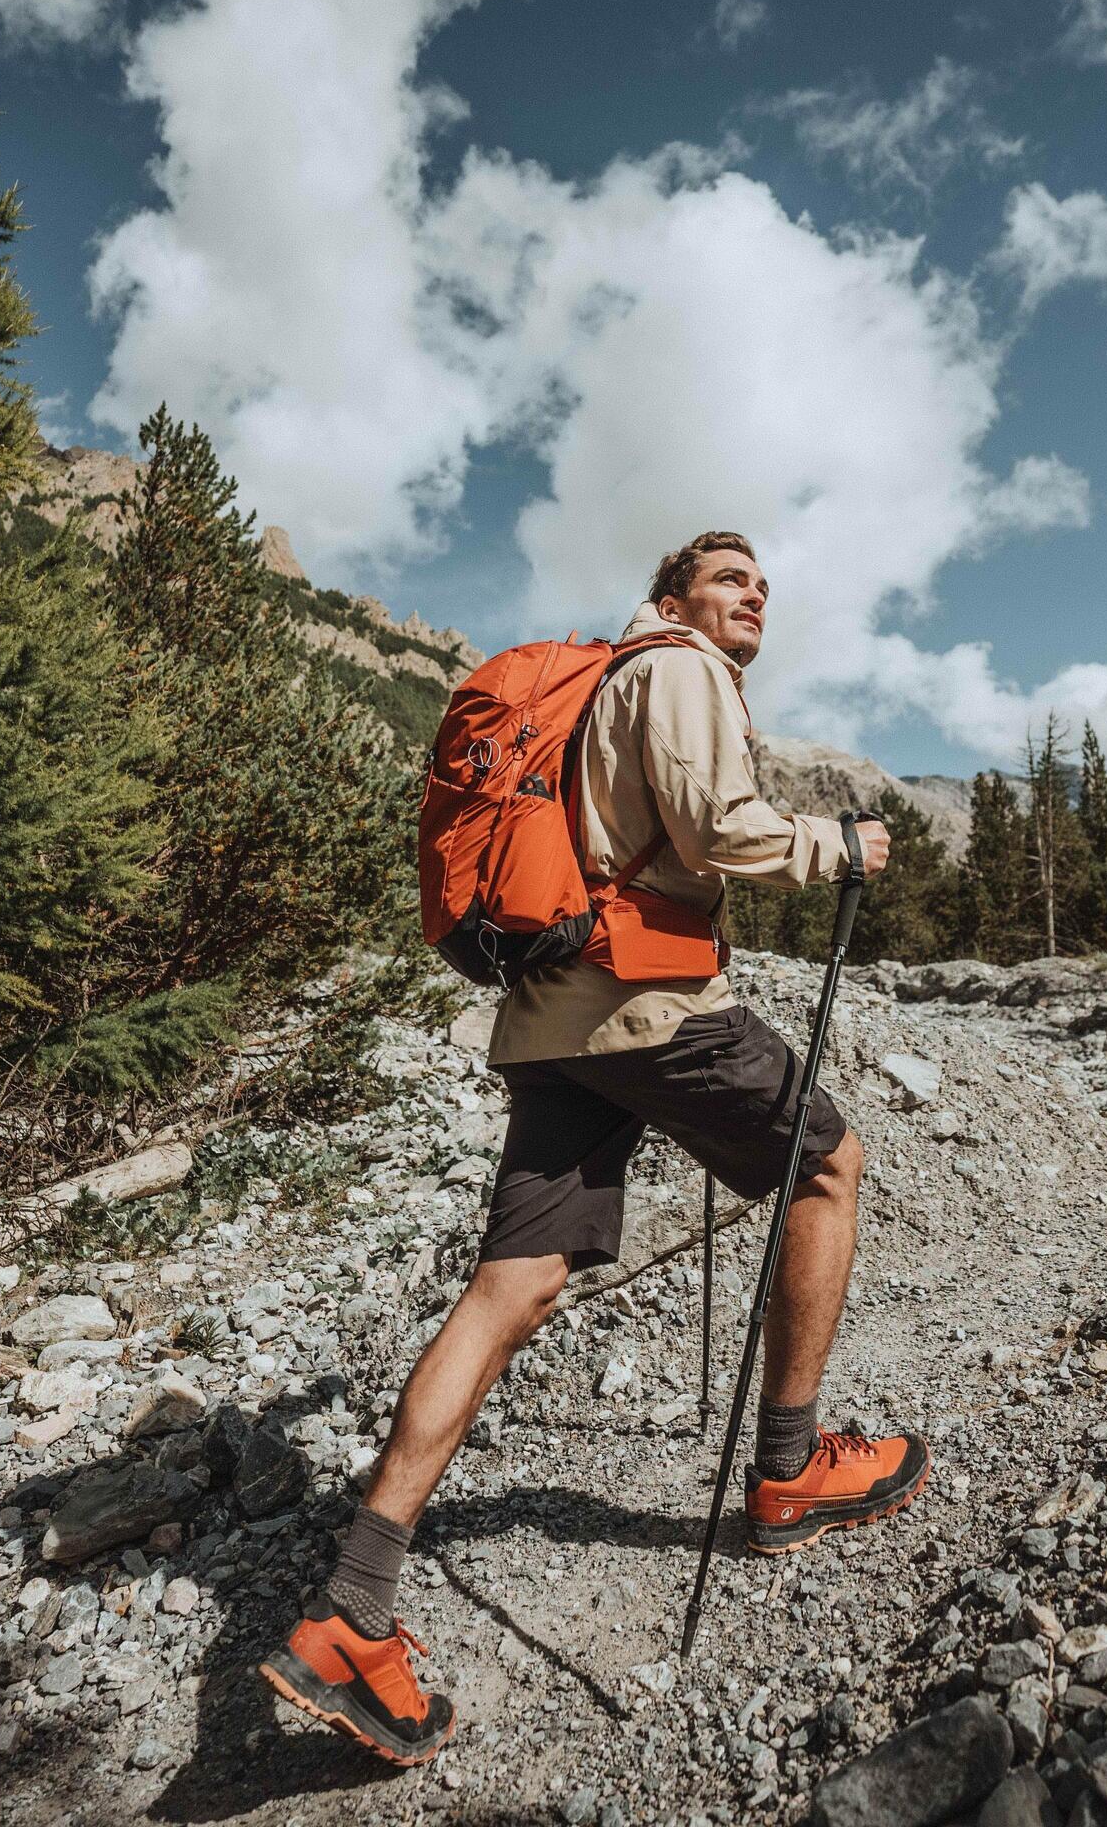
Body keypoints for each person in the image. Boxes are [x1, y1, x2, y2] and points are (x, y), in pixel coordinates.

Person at [262, 531, 925, 1766]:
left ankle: (350, 1609)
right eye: (730, 579)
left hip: (555, 1017)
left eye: (762, 584)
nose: (754, 595)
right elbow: (723, 828)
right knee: (830, 1164)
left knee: (511, 1283)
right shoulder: (671, 667)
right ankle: (789, 1473)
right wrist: (837, 848)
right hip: (648, 1003)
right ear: (673, 598)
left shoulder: (602, 691)